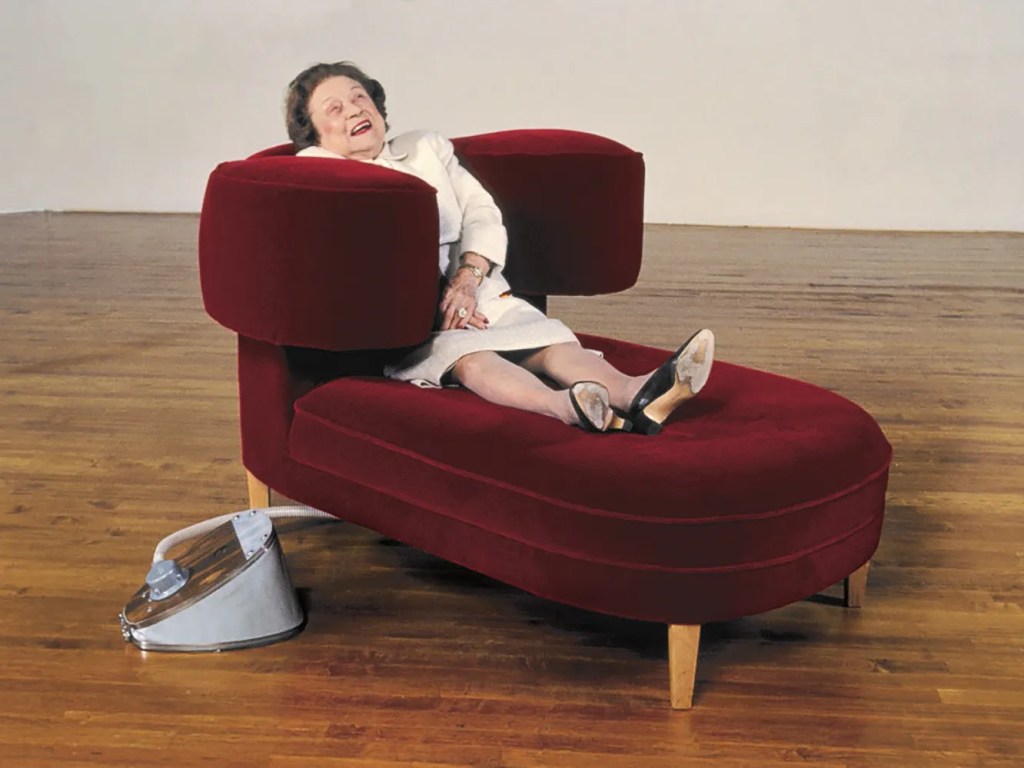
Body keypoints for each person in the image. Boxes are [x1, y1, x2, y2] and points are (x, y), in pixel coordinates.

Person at [284, 61, 715, 435]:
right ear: (316, 135)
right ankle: (568, 407)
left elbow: (481, 213)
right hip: (410, 326)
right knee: (473, 359)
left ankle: (636, 392)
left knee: (551, 344)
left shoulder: (425, 148)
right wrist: (438, 308)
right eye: (334, 110)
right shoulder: (319, 174)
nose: (355, 109)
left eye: (360, 97)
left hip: (479, 293)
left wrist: (468, 280)